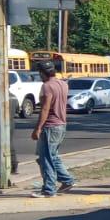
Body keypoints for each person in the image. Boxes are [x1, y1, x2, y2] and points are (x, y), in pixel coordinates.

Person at [30, 62, 76, 198]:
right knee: (52, 156)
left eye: (40, 73)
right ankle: (67, 180)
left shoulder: (47, 86)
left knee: (46, 159)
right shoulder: (63, 84)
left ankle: (49, 189)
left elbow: (45, 109)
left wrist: (37, 128)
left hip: (50, 126)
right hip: (61, 124)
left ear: (43, 73)